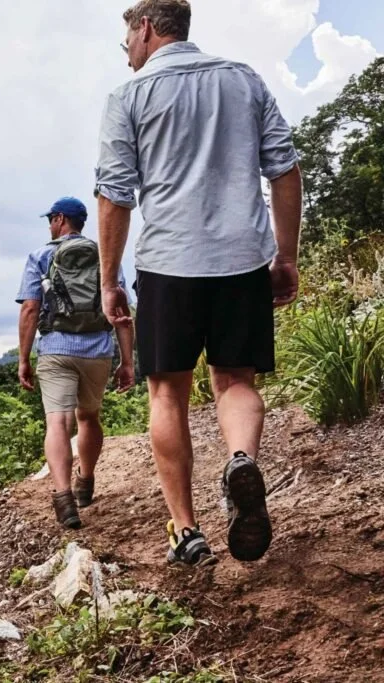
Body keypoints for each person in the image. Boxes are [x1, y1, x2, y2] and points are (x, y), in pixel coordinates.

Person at [94, 0, 303, 566]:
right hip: (241, 259)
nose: (129, 56)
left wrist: (109, 280)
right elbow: (283, 169)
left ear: (144, 29)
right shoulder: (242, 80)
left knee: (167, 392)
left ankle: (186, 533)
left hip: (169, 263)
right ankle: (240, 459)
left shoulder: (129, 97)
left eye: (127, 43)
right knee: (234, 379)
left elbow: (114, 196)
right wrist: (285, 256)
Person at [16, 196, 136, 530]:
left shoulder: (41, 256)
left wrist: (24, 358)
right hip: (97, 349)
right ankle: (86, 480)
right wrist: (127, 361)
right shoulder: (106, 256)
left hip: (55, 349)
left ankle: (63, 496)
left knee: (57, 422)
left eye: (50, 220)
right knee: (88, 417)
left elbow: (29, 308)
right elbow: (122, 311)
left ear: (59, 220)